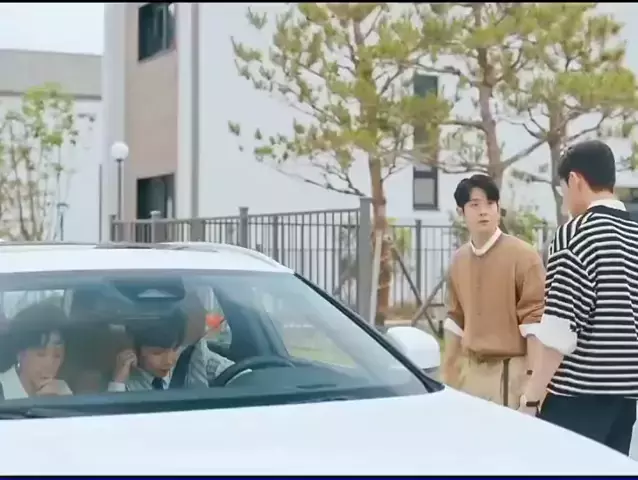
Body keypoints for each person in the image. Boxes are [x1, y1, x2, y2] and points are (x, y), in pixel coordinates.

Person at [520, 140, 638, 455]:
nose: (565, 200)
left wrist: (531, 398)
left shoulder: (575, 235)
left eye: (563, 190)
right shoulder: (634, 235)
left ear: (575, 180)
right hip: (626, 400)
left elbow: (558, 333)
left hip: (575, 398)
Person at [441, 174, 545, 409]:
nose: (483, 212)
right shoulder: (459, 260)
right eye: (475, 205)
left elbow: (535, 322)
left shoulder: (524, 256)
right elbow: (456, 318)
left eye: (490, 204)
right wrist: (448, 371)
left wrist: (532, 386)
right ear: (461, 212)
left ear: (499, 209)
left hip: (510, 372)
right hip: (471, 372)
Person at [108, 306, 234, 392]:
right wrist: (118, 381)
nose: (169, 361)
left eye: (175, 348)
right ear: (134, 349)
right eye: (157, 353)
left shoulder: (193, 357)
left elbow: (236, 374)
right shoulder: (126, 382)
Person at [0, 303, 73, 400]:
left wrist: (65, 402)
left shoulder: (62, 390)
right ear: (20, 353)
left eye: (57, 355)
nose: (49, 364)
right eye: (41, 354)